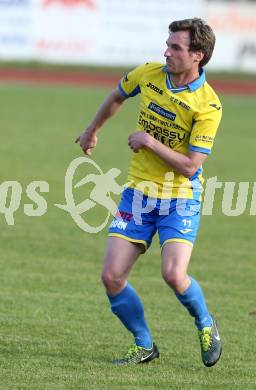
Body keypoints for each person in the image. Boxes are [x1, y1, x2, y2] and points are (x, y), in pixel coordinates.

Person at [76, 18, 223, 367]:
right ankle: (143, 344)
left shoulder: (208, 105)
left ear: (197, 56)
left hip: (180, 198)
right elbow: (116, 96)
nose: (166, 52)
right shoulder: (148, 74)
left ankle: (205, 322)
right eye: (168, 44)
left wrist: (149, 142)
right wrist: (91, 130)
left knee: (173, 274)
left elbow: (190, 165)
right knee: (111, 276)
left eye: (176, 48)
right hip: (138, 195)